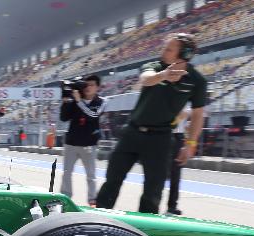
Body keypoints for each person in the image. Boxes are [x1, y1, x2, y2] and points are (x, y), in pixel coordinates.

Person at [95, 33, 207, 213]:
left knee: (153, 191)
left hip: (160, 139)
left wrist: (191, 143)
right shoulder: (154, 66)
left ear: (185, 54)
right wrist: (164, 75)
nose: (163, 51)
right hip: (132, 133)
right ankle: (99, 218)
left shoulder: (197, 81)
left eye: (169, 49)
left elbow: (198, 114)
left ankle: (145, 233)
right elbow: (145, 79)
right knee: (112, 180)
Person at [59, 74, 107, 206]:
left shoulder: (102, 101)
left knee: (91, 175)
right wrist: (65, 99)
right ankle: (64, 197)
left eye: (92, 85)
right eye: (86, 84)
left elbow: (93, 115)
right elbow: (64, 117)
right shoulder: (74, 99)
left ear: (97, 87)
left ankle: (92, 200)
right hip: (71, 143)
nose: (88, 87)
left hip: (89, 145)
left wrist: (79, 101)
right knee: (66, 173)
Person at [167, 104, 192, 215]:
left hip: (178, 137)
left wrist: (187, 142)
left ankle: (172, 206)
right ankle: (152, 206)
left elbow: (185, 122)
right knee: (158, 174)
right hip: (164, 135)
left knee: (176, 174)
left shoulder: (187, 103)